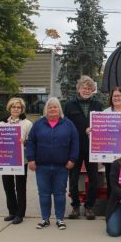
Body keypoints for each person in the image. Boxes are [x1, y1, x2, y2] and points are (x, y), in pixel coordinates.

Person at [26, 97, 79, 230]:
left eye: (55, 107)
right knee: (43, 194)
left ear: (59, 109)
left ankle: (60, 219)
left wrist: (72, 159)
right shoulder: (38, 124)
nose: (52, 109)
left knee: (60, 193)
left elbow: (75, 142)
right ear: (46, 110)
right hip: (41, 166)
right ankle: (45, 219)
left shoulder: (68, 124)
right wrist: (31, 159)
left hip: (61, 166)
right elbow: (31, 142)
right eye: (50, 107)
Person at [64, 75, 103, 220]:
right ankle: (75, 206)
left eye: (89, 88)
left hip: (93, 147)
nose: (86, 90)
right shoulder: (69, 105)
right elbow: (66, 126)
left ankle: (89, 206)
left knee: (93, 178)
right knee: (73, 178)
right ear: (78, 89)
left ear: (93, 90)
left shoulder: (98, 104)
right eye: (84, 88)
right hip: (74, 147)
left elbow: (102, 125)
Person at [0, 98, 33, 225]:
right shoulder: (2, 124)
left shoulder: (27, 124)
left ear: (22, 109)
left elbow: (32, 142)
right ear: (9, 108)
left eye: (18, 107)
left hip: (21, 160)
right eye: (13, 107)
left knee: (20, 187)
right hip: (5, 159)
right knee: (8, 186)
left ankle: (20, 213)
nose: (16, 109)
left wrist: (25, 142)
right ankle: (12, 211)